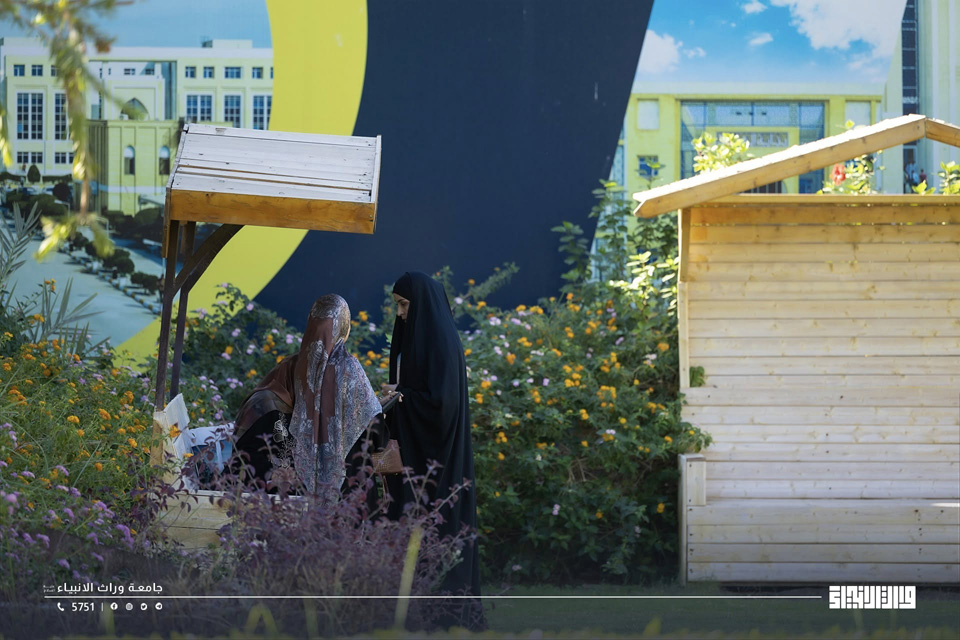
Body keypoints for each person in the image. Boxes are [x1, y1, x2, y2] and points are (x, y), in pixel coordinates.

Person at [381, 271, 485, 630]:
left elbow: (442, 406)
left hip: (438, 464)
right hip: (422, 459)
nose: (400, 313)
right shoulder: (424, 338)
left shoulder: (440, 341)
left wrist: (402, 398)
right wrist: (400, 394)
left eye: (404, 305)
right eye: (397, 305)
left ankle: (442, 614)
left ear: (421, 304)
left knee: (437, 528)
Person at [231, 294, 387, 497]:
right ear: (344, 328)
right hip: (348, 492)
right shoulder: (349, 370)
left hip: (293, 492)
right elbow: (374, 427)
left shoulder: (294, 365)